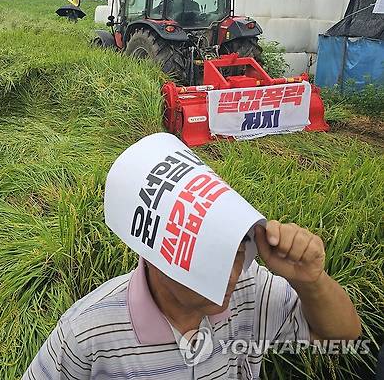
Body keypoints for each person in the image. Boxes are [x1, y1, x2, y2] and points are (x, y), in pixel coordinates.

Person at [23, 137, 362, 380]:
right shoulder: (88, 333)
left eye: (238, 252)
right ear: (156, 255)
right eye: (209, 260)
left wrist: (310, 281)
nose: (231, 275)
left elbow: (342, 337)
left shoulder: (251, 289)